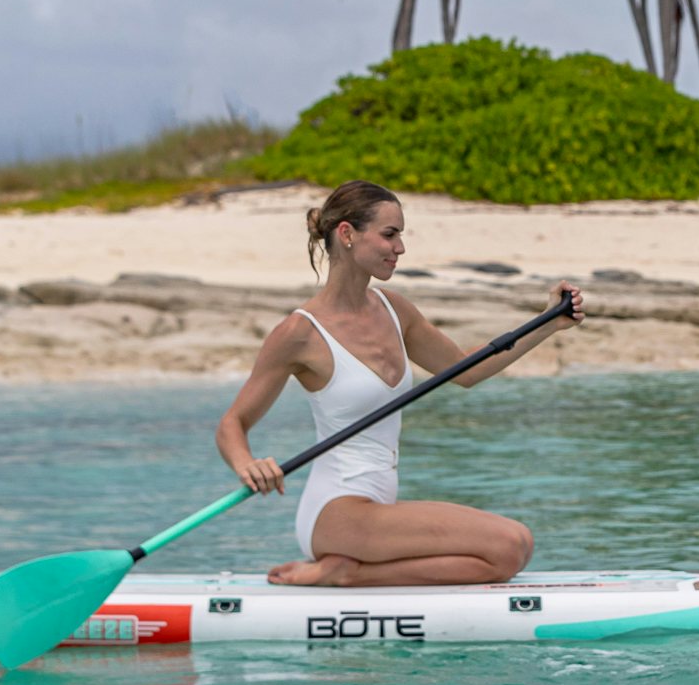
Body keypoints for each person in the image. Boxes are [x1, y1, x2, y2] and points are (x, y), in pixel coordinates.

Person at [215, 180, 584, 587]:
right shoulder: (301, 333)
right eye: (390, 234)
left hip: (378, 508)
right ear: (347, 234)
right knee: (512, 542)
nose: (400, 248)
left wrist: (548, 322)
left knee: (505, 557)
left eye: (401, 235)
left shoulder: (395, 310)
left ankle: (348, 572)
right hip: (337, 512)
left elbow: (467, 369)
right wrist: (248, 465)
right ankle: (342, 572)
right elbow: (233, 424)